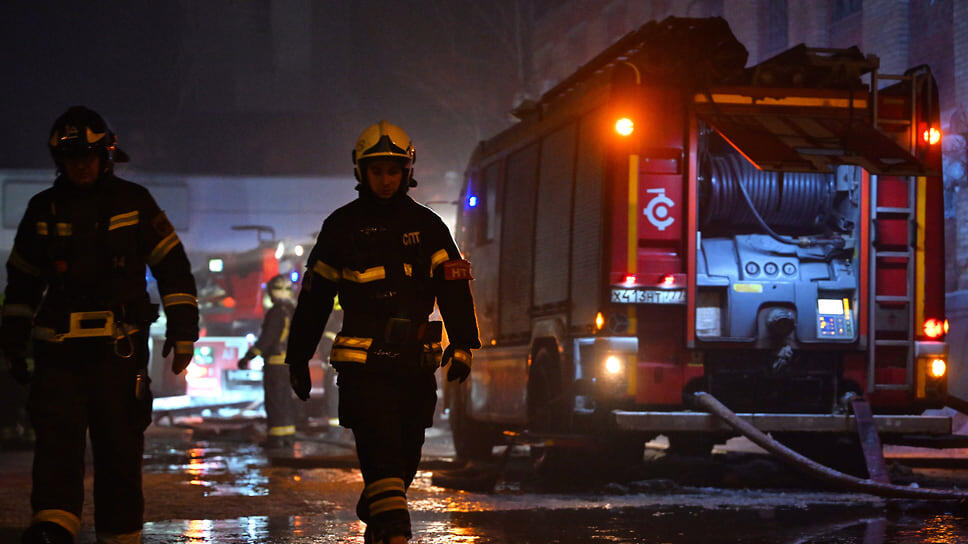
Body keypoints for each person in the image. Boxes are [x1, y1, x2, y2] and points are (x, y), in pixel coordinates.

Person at [0, 106, 198, 544]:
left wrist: (184, 330)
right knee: (55, 446)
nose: (82, 165)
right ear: (60, 161)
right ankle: (53, 527)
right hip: (58, 353)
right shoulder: (43, 209)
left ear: (106, 155)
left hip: (117, 352)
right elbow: (22, 282)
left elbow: (174, 269)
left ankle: (120, 535)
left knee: (120, 451)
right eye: (72, 158)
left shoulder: (135, 202)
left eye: (89, 156)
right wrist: (13, 340)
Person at [285, 120, 480, 544]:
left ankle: (378, 503)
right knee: (383, 452)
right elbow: (314, 298)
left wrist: (463, 343)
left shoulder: (429, 226)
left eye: (394, 171)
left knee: (404, 459)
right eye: (377, 171)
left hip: (414, 367)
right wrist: (297, 356)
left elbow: (454, 286)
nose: (386, 180)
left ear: (408, 171)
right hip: (363, 369)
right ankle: (393, 531)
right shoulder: (341, 227)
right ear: (361, 172)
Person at [238, 274, 297, 448]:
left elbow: (267, 339)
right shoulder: (293, 311)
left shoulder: (275, 312)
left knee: (275, 401)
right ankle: (288, 437)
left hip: (276, 364)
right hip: (289, 364)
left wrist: (248, 357)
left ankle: (276, 439)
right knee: (285, 400)